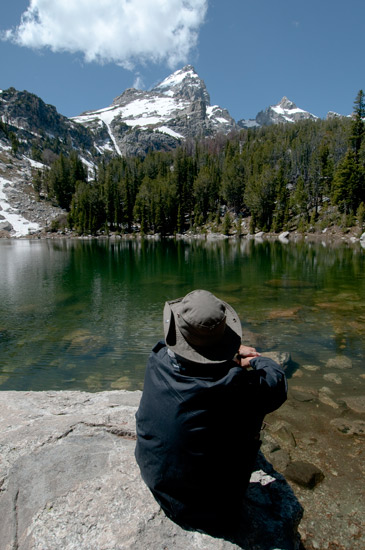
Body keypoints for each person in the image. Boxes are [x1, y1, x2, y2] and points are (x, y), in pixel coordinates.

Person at [135, 289, 287, 535]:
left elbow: (199, 371)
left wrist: (233, 356)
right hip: (208, 509)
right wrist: (258, 360)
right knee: (249, 411)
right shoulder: (234, 388)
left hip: (155, 477)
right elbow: (276, 383)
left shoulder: (159, 357)